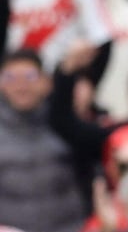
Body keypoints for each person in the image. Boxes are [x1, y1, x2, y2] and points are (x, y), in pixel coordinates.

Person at [0, 50, 86, 232]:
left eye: (30, 76)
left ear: (46, 82)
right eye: (10, 77)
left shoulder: (66, 125)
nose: (21, 85)